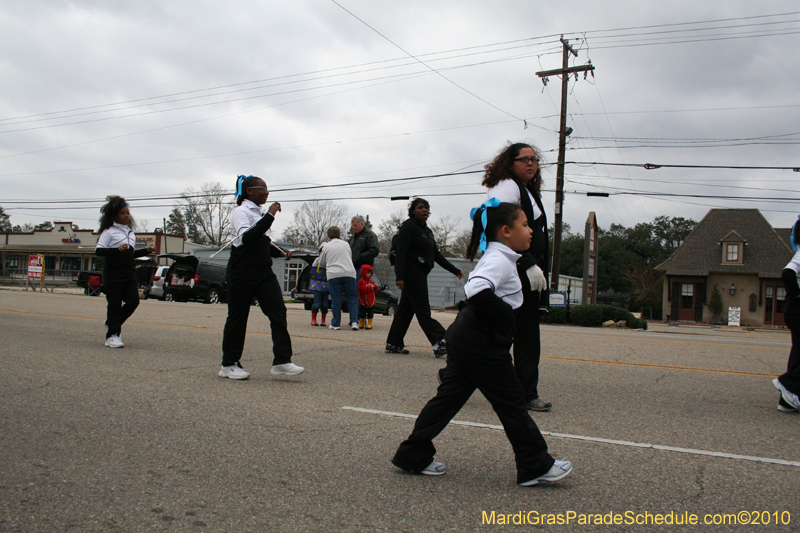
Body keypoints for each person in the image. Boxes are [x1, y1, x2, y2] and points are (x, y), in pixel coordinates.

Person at [392, 201, 573, 486]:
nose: (530, 231)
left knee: (448, 400)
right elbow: (475, 289)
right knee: (512, 403)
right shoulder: (499, 259)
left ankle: (412, 454)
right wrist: (505, 318)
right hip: (481, 344)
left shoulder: (503, 256)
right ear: (505, 231)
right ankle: (535, 465)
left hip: (466, 339)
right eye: (524, 225)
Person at [483, 142, 552, 412]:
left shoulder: (527, 191)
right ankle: (526, 394)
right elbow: (501, 227)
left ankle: (459, 370)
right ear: (510, 163)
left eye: (534, 159)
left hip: (525, 268)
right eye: (524, 159)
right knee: (522, 333)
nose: (531, 163)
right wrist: (528, 263)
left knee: (510, 331)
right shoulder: (507, 186)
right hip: (516, 270)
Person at [219, 175, 304, 380]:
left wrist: (280, 252)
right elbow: (247, 239)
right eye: (262, 188)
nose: (266, 192)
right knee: (238, 318)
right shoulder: (241, 212)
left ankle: (282, 361)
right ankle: (229, 364)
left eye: (267, 189)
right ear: (249, 191)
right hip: (241, 272)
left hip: (263, 273)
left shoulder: (257, 213)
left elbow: (261, 243)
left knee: (278, 312)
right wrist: (270, 215)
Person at [385, 198, 463, 358]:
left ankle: (393, 343)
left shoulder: (426, 231)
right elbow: (401, 253)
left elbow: (437, 255)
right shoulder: (409, 227)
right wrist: (400, 276)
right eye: (420, 207)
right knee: (423, 311)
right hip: (411, 274)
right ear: (413, 210)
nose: (424, 210)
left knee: (405, 311)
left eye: (427, 208)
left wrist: (454, 270)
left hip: (420, 274)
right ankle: (439, 342)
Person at [95, 196, 155, 348]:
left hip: (128, 273)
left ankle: (111, 323)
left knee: (133, 301)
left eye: (128, 213)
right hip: (113, 273)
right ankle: (112, 336)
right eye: (123, 213)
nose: (127, 215)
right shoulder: (109, 232)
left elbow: (130, 254)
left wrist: (146, 251)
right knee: (114, 304)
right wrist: (117, 249)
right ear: (115, 215)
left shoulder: (130, 233)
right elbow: (99, 250)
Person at [774, 216, 800, 412]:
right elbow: (787, 273)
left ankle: (788, 401)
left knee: (798, 351)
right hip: (797, 307)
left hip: (794, 307)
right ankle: (786, 382)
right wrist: (797, 294)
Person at [319, 226, 359, 331]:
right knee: (352, 298)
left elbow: (321, 263)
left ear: (328, 236)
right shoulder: (346, 244)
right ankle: (354, 321)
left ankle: (336, 324)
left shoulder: (326, 246)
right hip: (349, 272)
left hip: (334, 274)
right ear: (339, 234)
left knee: (336, 299)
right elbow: (349, 257)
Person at [309, 250, 328, 327]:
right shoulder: (317, 260)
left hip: (326, 284)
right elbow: (313, 272)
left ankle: (323, 320)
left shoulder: (330, 260)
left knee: (325, 304)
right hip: (317, 285)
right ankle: (313, 319)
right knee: (317, 303)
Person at [357, 264, 379, 329]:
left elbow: (375, 290)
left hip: (371, 301)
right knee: (362, 313)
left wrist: (376, 287)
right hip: (363, 301)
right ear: (364, 272)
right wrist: (369, 288)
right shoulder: (361, 281)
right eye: (368, 273)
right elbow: (361, 289)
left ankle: (369, 323)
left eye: (370, 273)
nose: (369, 274)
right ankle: (361, 322)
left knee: (370, 313)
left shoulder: (372, 282)